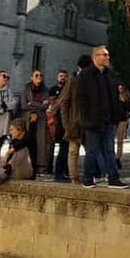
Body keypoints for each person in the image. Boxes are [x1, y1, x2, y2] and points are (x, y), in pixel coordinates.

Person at [76, 45, 128, 188]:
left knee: (109, 150)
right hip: (92, 120)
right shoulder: (85, 75)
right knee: (92, 151)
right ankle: (87, 178)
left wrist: (117, 115)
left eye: (107, 55)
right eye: (103, 55)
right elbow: (81, 99)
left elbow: (114, 97)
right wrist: (86, 117)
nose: (107, 58)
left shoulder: (110, 75)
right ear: (95, 57)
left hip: (108, 119)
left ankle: (113, 178)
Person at [53, 55, 92, 184]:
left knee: (90, 150)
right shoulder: (73, 79)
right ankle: (73, 177)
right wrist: (66, 123)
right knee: (73, 150)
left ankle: (87, 176)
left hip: (87, 121)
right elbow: (65, 102)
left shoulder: (91, 78)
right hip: (74, 122)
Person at [21, 70, 49, 178]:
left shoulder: (45, 90)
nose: (39, 77)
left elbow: (45, 106)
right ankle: (27, 164)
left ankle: (41, 166)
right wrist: (39, 106)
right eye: (36, 75)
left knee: (40, 142)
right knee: (28, 140)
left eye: (41, 75)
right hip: (28, 118)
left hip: (40, 119)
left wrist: (31, 103)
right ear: (31, 77)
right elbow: (23, 105)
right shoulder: (26, 89)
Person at [47, 70, 70, 181]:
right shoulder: (53, 90)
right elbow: (52, 105)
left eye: (65, 76)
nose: (63, 78)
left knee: (66, 148)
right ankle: (57, 172)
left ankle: (65, 171)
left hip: (65, 122)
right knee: (62, 148)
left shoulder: (68, 90)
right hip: (58, 123)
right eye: (61, 76)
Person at [115, 84, 130, 170]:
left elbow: (128, 108)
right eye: (119, 87)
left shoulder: (126, 97)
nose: (120, 89)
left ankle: (118, 157)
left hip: (122, 120)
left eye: (122, 87)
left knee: (120, 140)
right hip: (114, 120)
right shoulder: (113, 96)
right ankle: (111, 157)